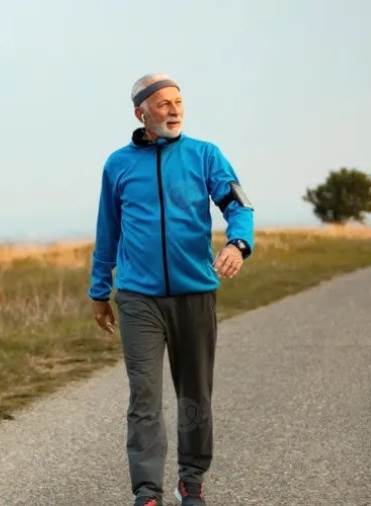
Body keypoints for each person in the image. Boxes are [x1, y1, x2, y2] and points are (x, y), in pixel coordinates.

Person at [88, 73, 254, 506]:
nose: (174, 110)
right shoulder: (118, 164)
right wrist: (99, 290)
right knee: (144, 395)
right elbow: (108, 230)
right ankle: (147, 491)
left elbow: (238, 205)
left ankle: (191, 480)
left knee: (195, 393)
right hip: (138, 298)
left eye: (178, 102)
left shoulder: (205, 155)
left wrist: (238, 243)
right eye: (163, 104)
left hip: (194, 293)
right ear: (140, 113)